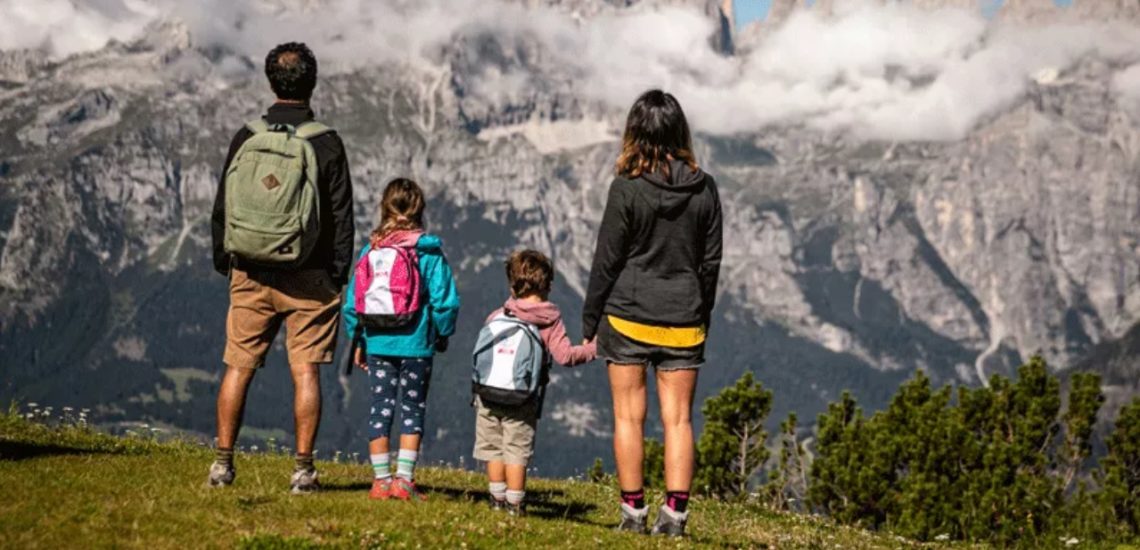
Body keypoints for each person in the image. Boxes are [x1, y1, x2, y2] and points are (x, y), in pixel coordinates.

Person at [207, 42, 354, 493]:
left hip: (251, 270)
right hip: (309, 277)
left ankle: (222, 465)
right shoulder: (325, 142)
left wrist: (227, 261)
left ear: (271, 82)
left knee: (238, 366)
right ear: (313, 83)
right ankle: (303, 471)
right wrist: (337, 275)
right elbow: (341, 216)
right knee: (305, 370)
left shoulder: (247, 136)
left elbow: (223, 205)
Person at [582, 90, 723, 536]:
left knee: (628, 416)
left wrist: (590, 319)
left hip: (627, 316)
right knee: (678, 419)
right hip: (684, 318)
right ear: (680, 131)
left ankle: (633, 514)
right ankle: (675, 518)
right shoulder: (705, 188)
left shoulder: (626, 187)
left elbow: (607, 260)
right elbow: (710, 263)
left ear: (635, 132)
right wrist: (701, 313)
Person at [343, 178, 460, 501]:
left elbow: (352, 304)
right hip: (416, 344)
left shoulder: (370, 251)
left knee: (380, 407)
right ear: (420, 210)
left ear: (384, 208)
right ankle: (404, 480)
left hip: (377, 342)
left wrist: (359, 340)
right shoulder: (428, 252)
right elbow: (445, 302)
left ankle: (381, 481)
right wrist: (442, 332)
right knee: (412, 408)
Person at [472, 250, 597, 516]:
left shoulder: (498, 315)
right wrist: (593, 348)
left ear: (513, 285)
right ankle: (515, 504)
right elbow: (565, 356)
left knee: (493, 447)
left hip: (487, 393)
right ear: (548, 285)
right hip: (522, 396)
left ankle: (496, 499)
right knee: (516, 450)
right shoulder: (549, 320)